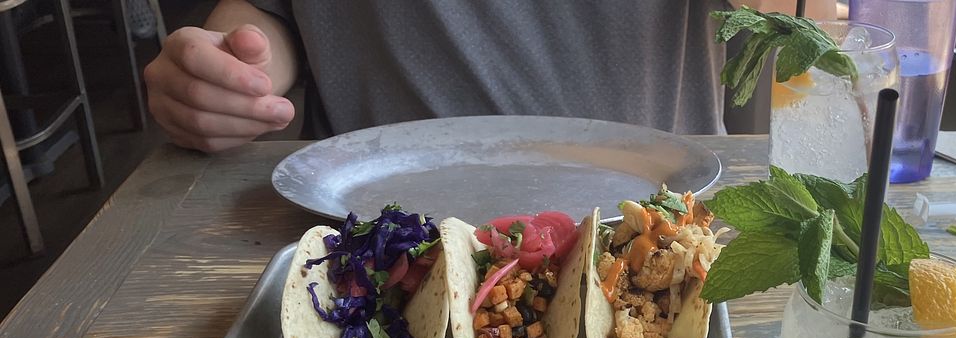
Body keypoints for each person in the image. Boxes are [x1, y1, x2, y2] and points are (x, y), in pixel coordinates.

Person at [143, 0, 836, 153]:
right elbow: (268, 15)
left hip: (654, 236)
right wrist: (235, 70)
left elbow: (803, 24)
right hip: (375, 256)